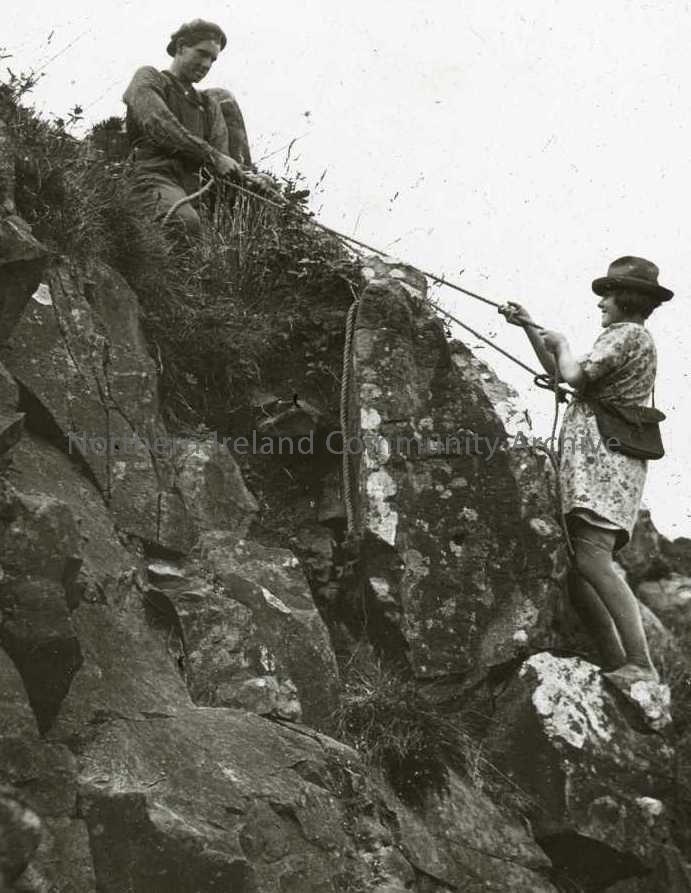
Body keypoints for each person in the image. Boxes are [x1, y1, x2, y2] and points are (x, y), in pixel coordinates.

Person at [499, 256, 674, 687]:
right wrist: (529, 327)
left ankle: (640, 663)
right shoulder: (630, 337)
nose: (601, 304)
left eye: (607, 296)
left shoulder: (626, 335)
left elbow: (573, 375)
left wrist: (559, 341)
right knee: (581, 571)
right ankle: (619, 662)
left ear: (625, 299)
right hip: (601, 467)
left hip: (604, 467)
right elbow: (561, 373)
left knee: (592, 559)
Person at [123, 19, 269, 236]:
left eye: (212, 59)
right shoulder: (150, 78)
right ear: (181, 47)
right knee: (185, 223)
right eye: (202, 53)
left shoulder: (208, 103)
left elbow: (223, 159)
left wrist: (250, 179)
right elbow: (158, 124)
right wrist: (213, 157)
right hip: (153, 177)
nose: (206, 65)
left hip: (194, 187)